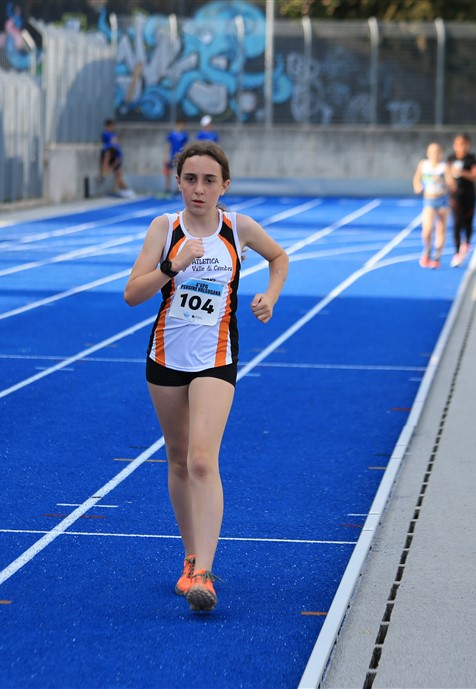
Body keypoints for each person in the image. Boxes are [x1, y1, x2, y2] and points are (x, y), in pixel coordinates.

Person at [123, 141, 288, 612]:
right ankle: (190, 556)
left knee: (201, 460)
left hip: (216, 358)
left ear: (224, 186)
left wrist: (270, 296)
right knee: (177, 460)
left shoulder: (238, 228)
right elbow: (132, 294)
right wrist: (171, 265)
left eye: (209, 181)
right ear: (178, 182)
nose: (199, 189)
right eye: (191, 179)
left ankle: (205, 575)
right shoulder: (164, 228)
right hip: (165, 357)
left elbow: (280, 258)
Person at [412, 142, 451, 268]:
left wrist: (442, 181)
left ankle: (437, 257)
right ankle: (427, 249)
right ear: (428, 153)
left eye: (437, 152)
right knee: (427, 230)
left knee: (441, 229)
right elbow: (416, 178)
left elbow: (452, 184)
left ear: (441, 153)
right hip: (429, 200)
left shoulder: (444, 167)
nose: (435, 154)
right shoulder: (423, 164)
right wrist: (417, 186)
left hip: (442, 200)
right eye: (432, 152)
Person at [446, 133, 476, 267]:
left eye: (463, 144)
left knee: (468, 223)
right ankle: (457, 252)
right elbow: (447, 173)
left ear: (467, 145)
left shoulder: (471, 159)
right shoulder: (450, 158)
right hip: (455, 195)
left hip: (469, 194)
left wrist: (462, 173)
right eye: (458, 144)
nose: (460, 146)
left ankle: (466, 242)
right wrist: (450, 182)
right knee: (456, 223)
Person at [99, 119, 135, 198]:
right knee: (118, 173)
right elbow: (111, 145)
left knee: (118, 173)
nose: (113, 127)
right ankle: (121, 189)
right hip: (112, 153)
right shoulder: (106, 135)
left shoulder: (112, 136)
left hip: (116, 154)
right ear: (108, 126)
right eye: (111, 126)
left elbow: (116, 145)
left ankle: (121, 189)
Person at [163, 118, 189, 195]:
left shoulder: (184, 135)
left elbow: (185, 146)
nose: (182, 126)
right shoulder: (171, 134)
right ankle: (168, 188)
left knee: (179, 172)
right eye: (181, 124)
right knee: (168, 172)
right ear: (177, 124)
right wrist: (166, 156)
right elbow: (168, 146)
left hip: (180, 156)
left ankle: (178, 189)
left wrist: (186, 155)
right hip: (172, 156)